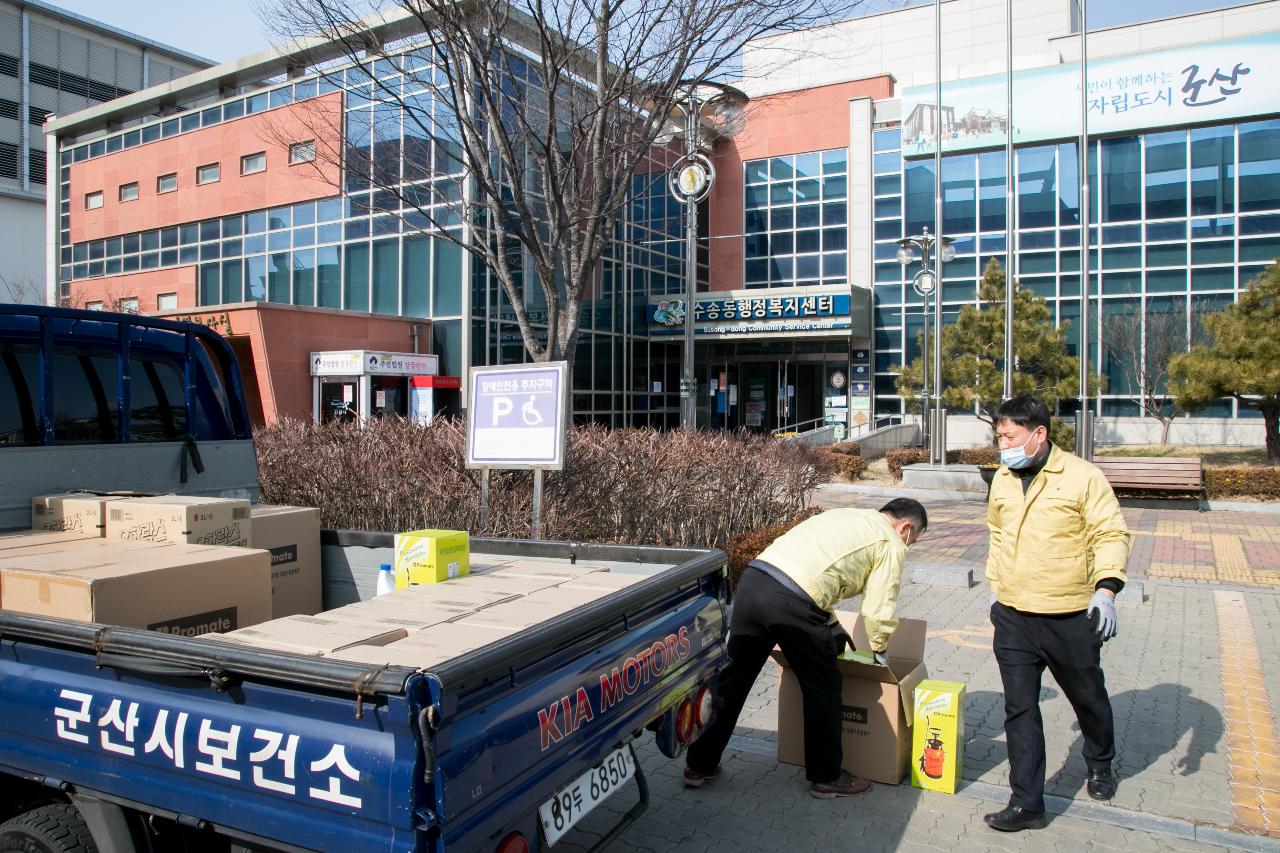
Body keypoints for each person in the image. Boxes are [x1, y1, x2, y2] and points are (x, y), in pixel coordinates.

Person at [684, 498, 927, 798]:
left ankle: (699, 764)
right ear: (905, 527)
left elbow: (816, 572)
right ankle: (827, 776)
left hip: (754, 581)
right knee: (823, 685)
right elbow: (878, 608)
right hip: (791, 603)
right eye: (913, 540)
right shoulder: (890, 541)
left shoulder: (849, 517)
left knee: (733, 679)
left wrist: (833, 626)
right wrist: (879, 649)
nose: (909, 546)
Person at [982, 395, 1130, 832]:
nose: (1001, 444)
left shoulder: (1083, 477)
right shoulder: (1004, 478)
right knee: (1020, 710)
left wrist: (1106, 589)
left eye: (1008, 435)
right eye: (997, 436)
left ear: (1038, 434)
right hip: (1013, 616)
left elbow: (1110, 533)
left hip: (1069, 615)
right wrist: (998, 585)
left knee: (1087, 699)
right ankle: (1027, 803)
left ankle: (1100, 761)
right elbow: (995, 529)